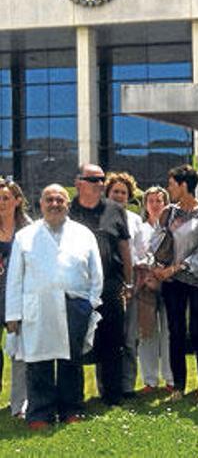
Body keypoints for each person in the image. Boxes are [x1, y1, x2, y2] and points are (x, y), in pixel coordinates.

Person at [5, 184, 103, 429]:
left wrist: (90, 303)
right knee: (39, 362)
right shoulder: (25, 236)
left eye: (60, 200)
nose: (55, 204)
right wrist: (13, 314)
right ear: (41, 204)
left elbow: (96, 273)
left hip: (75, 306)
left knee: (72, 361)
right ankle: (40, 413)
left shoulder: (83, 234)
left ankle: (72, 409)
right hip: (36, 308)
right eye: (49, 199)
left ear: (68, 205)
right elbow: (15, 277)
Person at [68, 164, 133, 407]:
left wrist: (129, 282)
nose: (99, 184)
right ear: (79, 182)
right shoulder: (68, 209)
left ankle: (112, 395)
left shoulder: (115, 210)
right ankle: (75, 396)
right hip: (77, 287)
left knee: (112, 342)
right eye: (93, 179)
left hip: (110, 286)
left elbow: (125, 249)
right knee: (74, 342)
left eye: (101, 179)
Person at [153, 164, 198, 402]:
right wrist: (159, 267)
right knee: (175, 332)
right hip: (172, 282)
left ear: (184, 185)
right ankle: (179, 386)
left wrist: (177, 267)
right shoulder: (169, 212)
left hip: (197, 280)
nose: (169, 188)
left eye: (171, 184)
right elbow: (156, 242)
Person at [105, 172, 146, 399]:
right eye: (115, 192)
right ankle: (106, 386)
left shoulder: (135, 220)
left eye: (123, 192)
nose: (119, 195)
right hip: (108, 284)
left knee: (130, 339)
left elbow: (141, 251)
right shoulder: (101, 217)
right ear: (108, 193)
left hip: (131, 285)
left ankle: (128, 386)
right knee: (108, 338)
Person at [136, 186, 174, 394]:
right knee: (147, 332)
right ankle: (150, 380)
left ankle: (170, 378)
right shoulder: (140, 228)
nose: (155, 204)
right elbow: (136, 253)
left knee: (168, 331)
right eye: (150, 201)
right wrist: (148, 269)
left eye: (159, 201)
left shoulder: (173, 227)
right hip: (146, 286)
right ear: (145, 205)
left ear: (165, 203)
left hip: (168, 283)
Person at [0, 180, 31, 418]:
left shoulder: (29, 229)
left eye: (5, 198)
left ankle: (18, 404)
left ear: (17, 201)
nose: (1, 203)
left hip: (18, 297)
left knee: (19, 351)